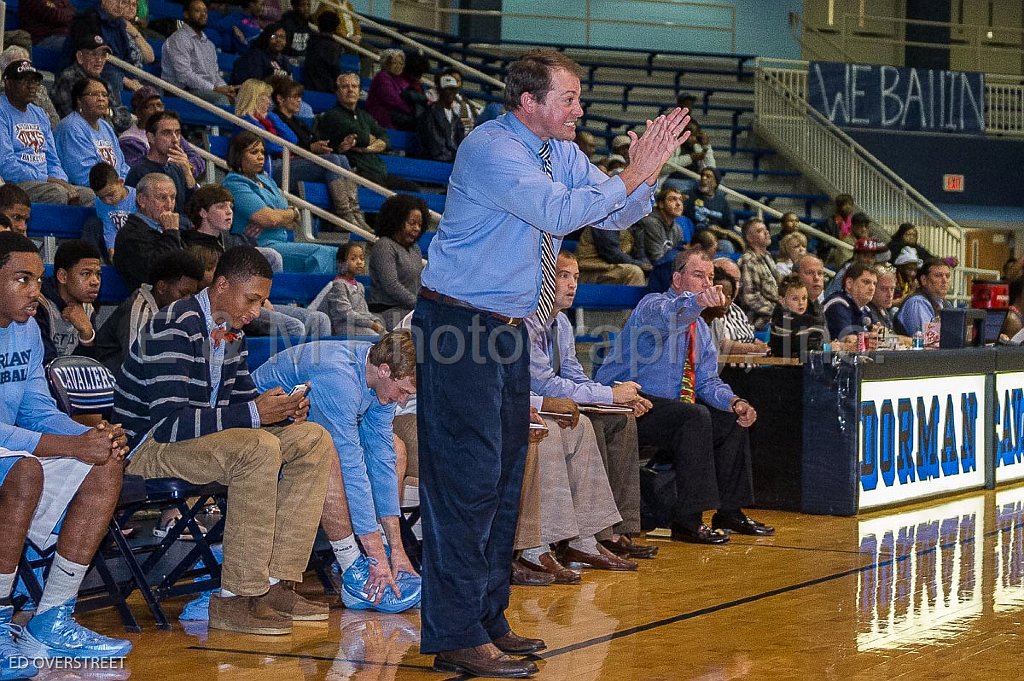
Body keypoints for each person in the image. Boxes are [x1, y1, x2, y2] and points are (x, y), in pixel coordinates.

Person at [413, 48, 688, 678]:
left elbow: (610, 210)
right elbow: (558, 213)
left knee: (507, 476)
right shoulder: (490, 149)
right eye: (568, 98)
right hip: (461, 323)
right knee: (468, 480)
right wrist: (632, 173)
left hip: (510, 328)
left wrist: (642, 175)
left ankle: (486, 619)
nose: (579, 108)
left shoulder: (560, 151)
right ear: (528, 101)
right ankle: (454, 633)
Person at [115, 246, 335, 636]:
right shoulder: (174, 325)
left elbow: (241, 404)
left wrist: (281, 411)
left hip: (201, 441)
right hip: (147, 448)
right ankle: (235, 597)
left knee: (311, 438)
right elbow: (168, 425)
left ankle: (275, 584)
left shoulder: (232, 332)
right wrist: (256, 415)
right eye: (251, 299)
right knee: (258, 448)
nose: (257, 310)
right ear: (221, 286)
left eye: (262, 300)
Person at [0, 232, 133, 669]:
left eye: (37, 280)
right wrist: (70, 443)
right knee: (25, 472)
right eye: (22, 279)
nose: (35, 291)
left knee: (106, 462)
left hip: (10, 449)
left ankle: (50, 619)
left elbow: (36, 407)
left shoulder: (25, 331)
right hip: (11, 456)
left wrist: (92, 436)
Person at [596, 249, 774, 545]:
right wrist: (698, 302)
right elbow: (671, 315)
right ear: (677, 279)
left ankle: (729, 510)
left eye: (710, 277)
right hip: (628, 402)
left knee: (731, 419)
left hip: (670, 409)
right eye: (698, 275)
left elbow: (706, 380)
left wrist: (733, 401)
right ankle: (688, 520)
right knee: (693, 417)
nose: (707, 283)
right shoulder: (652, 305)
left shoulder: (700, 328)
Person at [252, 332, 421, 612]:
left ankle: (383, 554)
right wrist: (376, 555)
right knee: (329, 454)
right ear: (384, 370)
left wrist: (396, 547)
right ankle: (352, 567)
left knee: (395, 449)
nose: (402, 401)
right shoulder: (338, 377)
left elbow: (381, 458)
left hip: (297, 435)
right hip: (258, 438)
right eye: (402, 391)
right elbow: (352, 467)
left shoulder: (378, 376)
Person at [524, 250, 658, 561]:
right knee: (590, 422)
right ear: (542, 279)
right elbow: (545, 384)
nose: (572, 285)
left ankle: (615, 529)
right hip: (534, 404)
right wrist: (611, 397)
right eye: (563, 276)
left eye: (576, 278)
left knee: (621, 420)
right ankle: (586, 534)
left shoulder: (563, 324)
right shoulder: (528, 320)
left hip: (558, 402)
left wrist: (615, 398)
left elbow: (574, 375)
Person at [222, 131, 337, 274]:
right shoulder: (234, 183)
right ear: (238, 155)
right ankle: (312, 294)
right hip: (257, 245)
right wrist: (287, 215)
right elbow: (269, 219)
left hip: (281, 243)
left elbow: (290, 223)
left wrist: (289, 214)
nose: (260, 157)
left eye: (262, 152)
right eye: (254, 152)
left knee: (337, 253)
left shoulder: (265, 179)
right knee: (321, 253)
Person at [262, 77, 369, 230]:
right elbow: (288, 144)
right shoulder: (275, 117)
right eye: (294, 97)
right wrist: (312, 148)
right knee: (332, 161)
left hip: (301, 161)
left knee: (341, 158)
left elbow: (311, 143)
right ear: (280, 99)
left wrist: (330, 146)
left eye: (300, 97)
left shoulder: (299, 122)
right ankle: (344, 214)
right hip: (283, 165)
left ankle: (355, 213)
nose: (299, 101)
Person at [0, 60, 95, 206]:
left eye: (34, 81)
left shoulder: (39, 113)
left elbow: (52, 159)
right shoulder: (2, 111)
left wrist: (61, 180)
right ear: (7, 83)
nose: (31, 86)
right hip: (14, 184)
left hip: (47, 182)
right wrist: (47, 179)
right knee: (57, 194)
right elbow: (6, 165)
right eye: (24, 80)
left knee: (90, 196)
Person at [94, 250, 203, 373]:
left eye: (192, 294)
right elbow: (137, 367)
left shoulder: (177, 312)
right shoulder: (140, 311)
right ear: (162, 287)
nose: (188, 300)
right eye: (183, 293)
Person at [317, 72, 410, 189]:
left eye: (354, 86)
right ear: (337, 91)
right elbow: (362, 137)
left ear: (359, 91)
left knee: (412, 189)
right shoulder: (332, 116)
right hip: (357, 173)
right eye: (345, 86)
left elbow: (386, 138)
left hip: (378, 172)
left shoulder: (364, 116)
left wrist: (367, 149)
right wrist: (371, 140)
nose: (350, 90)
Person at [34, 239, 102, 366]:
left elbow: (92, 368)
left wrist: (87, 335)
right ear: (62, 276)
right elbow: (45, 365)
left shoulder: (88, 308)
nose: (95, 281)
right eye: (86, 274)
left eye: (98, 274)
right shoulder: (38, 304)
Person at [113, 173, 185, 290]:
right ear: (142, 200)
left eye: (173, 197)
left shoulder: (173, 228)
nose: (169, 205)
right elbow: (160, 271)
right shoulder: (130, 235)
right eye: (162, 198)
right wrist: (171, 233)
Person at [54, 78, 130, 187]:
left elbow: (122, 165)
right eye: (94, 94)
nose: (101, 99)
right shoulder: (71, 127)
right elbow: (82, 175)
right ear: (79, 100)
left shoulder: (105, 126)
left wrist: (123, 183)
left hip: (115, 186)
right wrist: (116, 187)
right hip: (91, 189)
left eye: (104, 95)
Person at [161, 0, 239, 107]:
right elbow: (184, 76)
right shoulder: (178, 39)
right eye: (197, 11)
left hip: (206, 90)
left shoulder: (209, 44)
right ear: (186, 14)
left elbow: (214, 74)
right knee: (221, 100)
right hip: (182, 91)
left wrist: (225, 88)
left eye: (205, 11)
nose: (203, 14)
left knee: (238, 101)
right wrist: (215, 89)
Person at [51, 33, 132, 134]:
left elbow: (126, 119)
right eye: (94, 54)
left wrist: (108, 112)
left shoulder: (103, 83)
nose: (99, 60)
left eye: (103, 55)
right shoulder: (68, 78)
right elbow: (73, 120)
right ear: (80, 57)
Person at [119, 87, 205, 181]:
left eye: (159, 105)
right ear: (138, 112)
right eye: (150, 106)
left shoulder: (171, 132)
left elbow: (198, 159)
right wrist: (180, 170)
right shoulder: (129, 141)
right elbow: (142, 175)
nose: (157, 110)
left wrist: (189, 167)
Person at [367, 194, 426, 330]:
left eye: (420, 224)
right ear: (396, 221)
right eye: (411, 223)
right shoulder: (384, 245)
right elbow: (391, 285)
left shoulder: (415, 248)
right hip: (387, 311)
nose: (417, 228)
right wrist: (419, 304)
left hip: (410, 309)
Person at [125, 110, 197, 219]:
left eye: (177, 133)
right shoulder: (138, 171)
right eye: (167, 133)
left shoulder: (178, 168)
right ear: (151, 137)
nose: (175, 139)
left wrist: (188, 173)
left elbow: (194, 211)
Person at [311, 242, 385, 336]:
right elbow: (347, 314)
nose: (359, 262)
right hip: (345, 328)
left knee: (388, 336)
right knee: (376, 338)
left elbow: (364, 312)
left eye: (362, 258)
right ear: (341, 263)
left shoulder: (360, 286)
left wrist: (375, 321)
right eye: (353, 259)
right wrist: (371, 324)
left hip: (360, 325)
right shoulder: (339, 285)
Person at [706, 264, 769, 356]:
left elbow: (750, 338)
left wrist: (764, 347)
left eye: (729, 296)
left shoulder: (737, 310)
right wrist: (756, 348)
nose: (726, 301)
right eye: (721, 295)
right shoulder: (704, 320)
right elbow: (723, 345)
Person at [769, 274, 827, 358]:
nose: (801, 303)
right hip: (785, 368)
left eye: (804, 298)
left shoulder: (815, 317)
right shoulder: (780, 320)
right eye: (795, 299)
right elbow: (796, 346)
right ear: (782, 301)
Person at [736, 218, 779, 330]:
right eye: (760, 231)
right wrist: (778, 310)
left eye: (766, 229)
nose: (766, 232)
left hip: (774, 317)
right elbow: (750, 297)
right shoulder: (748, 260)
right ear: (750, 238)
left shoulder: (768, 256)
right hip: (758, 322)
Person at [90, 161, 137, 259]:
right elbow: (109, 229)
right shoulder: (100, 203)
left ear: (121, 182)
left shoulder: (138, 198)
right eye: (102, 197)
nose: (107, 201)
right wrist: (112, 252)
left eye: (111, 194)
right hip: (116, 246)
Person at [684, 167, 738, 252]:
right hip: (695, 236)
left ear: (715, 183)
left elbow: (729, 226)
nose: (703, 178)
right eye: (702, 175)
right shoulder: (690, 195)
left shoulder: (722, 202)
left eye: (708, 176)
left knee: (727, 245)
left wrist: (720, 230)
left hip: (715, 237)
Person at [894, 258, 951, 337]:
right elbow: (928, 339)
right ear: (924, 280)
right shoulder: (917, 303)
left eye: (947, 276)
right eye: (938, 276)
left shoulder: (946, 304)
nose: (945, 280)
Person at [823, 262, 878, 344]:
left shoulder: (866, 310)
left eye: (874, 283)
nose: (872, 288)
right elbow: (849, 341)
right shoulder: (837, 304)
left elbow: (879, 336)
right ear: (849, 283)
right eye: (866, 282)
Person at [575, 225, 649, 285]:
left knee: (655, 275)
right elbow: (612, 254)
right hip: (591, 271)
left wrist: (649, 267)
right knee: (634, 272)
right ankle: (633, 304)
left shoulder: (635, 225)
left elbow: (640, 254)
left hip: (614, 269)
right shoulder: (606, 221)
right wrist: (640, 265)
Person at [417, 73, 466, 163]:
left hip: (450, 160)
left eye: (454, 90)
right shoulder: (430, 113)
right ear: (440, 91)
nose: (451, 93)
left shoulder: (455, 117)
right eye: (447, 89)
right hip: (434, 161)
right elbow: (435, 146)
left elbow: (461, 141)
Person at [632, 186, 684, 265]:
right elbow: (657, 259)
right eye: (673, 199)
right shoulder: (650, 223)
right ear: (661, 204)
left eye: (680, 199)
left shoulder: (678, 229)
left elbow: (680, 257)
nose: (678, 204)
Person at [365, 49, 413, 130]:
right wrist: (411, 109)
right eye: (394, 63)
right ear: (386, 64)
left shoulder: (401, 80)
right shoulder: (382, 77)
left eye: (401, 63)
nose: (398, 66)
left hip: (396, 116)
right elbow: (392, 100)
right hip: (381, 117)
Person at [302, 10, 346, 93]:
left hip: (308, 87)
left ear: (318, 26)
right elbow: (335, 70)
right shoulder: (334, 47)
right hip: (326, 89)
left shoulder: (311, 41)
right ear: (336, 29)